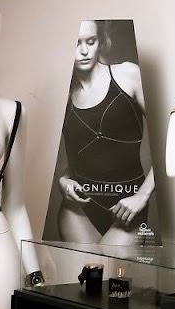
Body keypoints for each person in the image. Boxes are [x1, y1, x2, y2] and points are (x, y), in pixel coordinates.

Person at [56, 21, 155, 244]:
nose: (84, 51)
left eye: (90, 41)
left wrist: (142, 195)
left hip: (128, 206)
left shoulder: (128, 75)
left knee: (109, 267)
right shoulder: (61, 93)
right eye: (76, 43)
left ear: (101, 41)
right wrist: (62, 180)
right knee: (84, 268)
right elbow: (85, 153)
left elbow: (170, 140)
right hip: (77, 210)